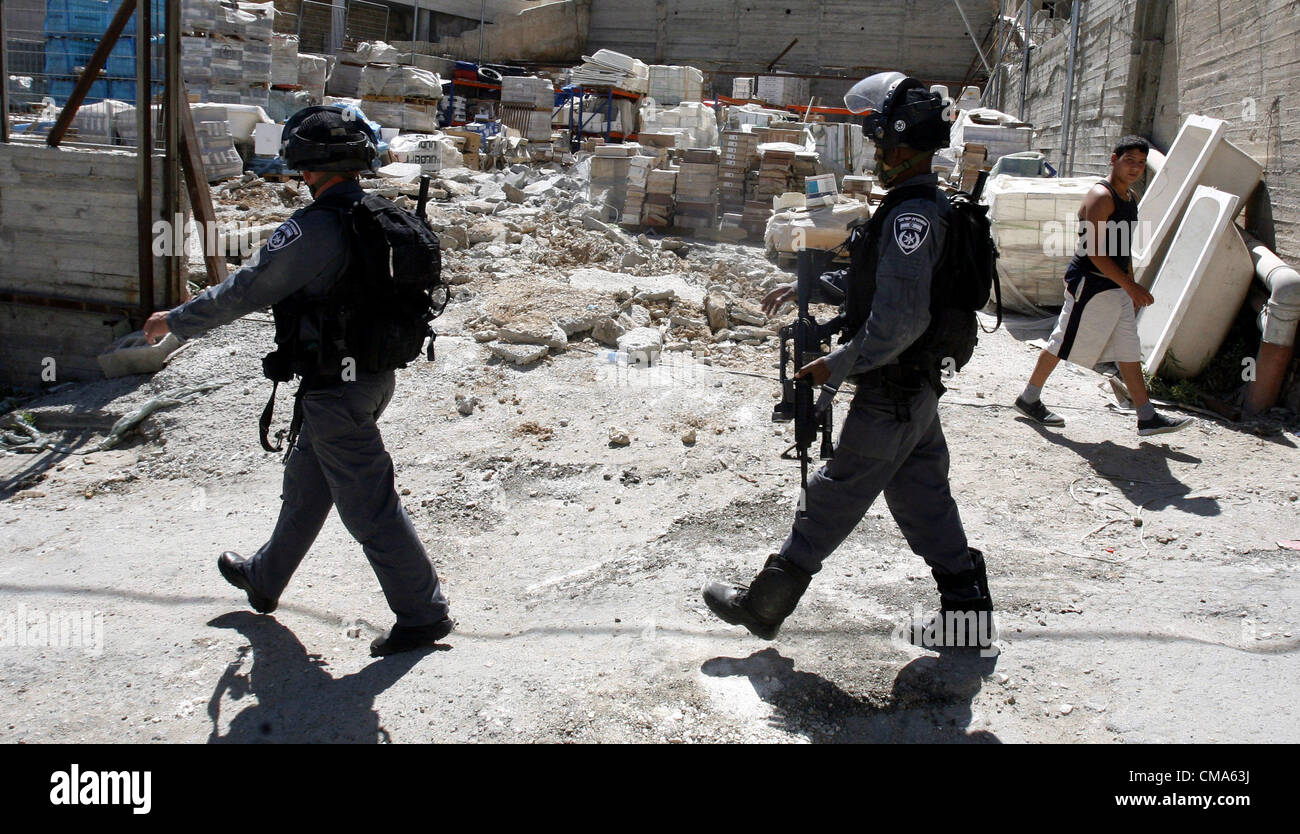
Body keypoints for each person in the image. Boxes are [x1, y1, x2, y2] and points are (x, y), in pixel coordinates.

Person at [142, 106, 452, 657]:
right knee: (308, 485)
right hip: (368, 380)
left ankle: (423, 614)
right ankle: (265, 577)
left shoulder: (313, 229)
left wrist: (178, 321)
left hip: (336, 390)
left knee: (369, 505)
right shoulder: (377, 215)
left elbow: (245, 289)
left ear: (306, 167)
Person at [702, 72, 994, 650]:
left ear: (903, 144)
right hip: (915, 387)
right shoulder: (915, 204)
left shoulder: (913, 216)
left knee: (834, 491)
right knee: (922, 496)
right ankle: (968, 618)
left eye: (879, 140)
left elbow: (900, 320)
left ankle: (764, 605)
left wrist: (835, 364)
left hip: (895, 387)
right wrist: (819, 283)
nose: (875, 151)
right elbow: (889, 288)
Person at [1013, 135, 1193, 437]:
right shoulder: (1102, 196)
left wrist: (1130, 284)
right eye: (1128, 160)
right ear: (1114, 160)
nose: (1134, 168)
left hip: (1115, 286)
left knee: (1128, 348)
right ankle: (1029, 397)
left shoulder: (1130, 197)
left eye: (1140, 163)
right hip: (1090, 284)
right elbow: (1095, 252)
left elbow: (1122, 247)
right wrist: (1130, 286)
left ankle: (1146, 416)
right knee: (1062, 342)